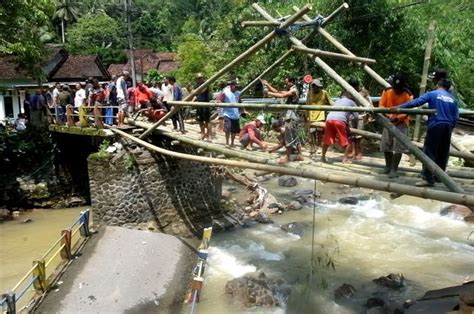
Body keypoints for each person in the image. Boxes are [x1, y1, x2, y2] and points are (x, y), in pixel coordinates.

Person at [398, 78, 459, 187]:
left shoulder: (433, 94)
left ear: (438, 85)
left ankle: (428, 178)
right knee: (443, 151)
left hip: (436, 124)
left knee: (429, 151)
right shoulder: (453, 99)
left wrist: (399, 107)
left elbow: (416, 102)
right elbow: (456, 117)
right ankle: (440, 177)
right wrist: (450, 126)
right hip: (448, 125)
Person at [261, 77, 303, 163]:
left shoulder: (293, 90)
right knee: (295, 137)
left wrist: (268, 93)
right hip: (291, 117)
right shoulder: (290, 89)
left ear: (292, 82)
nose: (285, 84)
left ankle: (287, 157)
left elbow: (283, 95)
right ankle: (300, 155)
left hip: (290, 117)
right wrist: (267, 85)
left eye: (287, 82)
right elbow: (277, 92)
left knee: (289, 137)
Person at [379, 74, 413, 178]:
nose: (396, 90)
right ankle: (388, 166)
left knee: (398, 148)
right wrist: (386, 114)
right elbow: (381, 105)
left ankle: (394, 169)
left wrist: (398, 118)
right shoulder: (387, 91)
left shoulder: (408, 95)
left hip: (401, 123)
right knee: (386, 145)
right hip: (388, 121)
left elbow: (408, 110)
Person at [321, 91, 358, 164]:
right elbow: (356, 116)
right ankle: (345, 159)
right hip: (340, 121)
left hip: (329, 119)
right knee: (347, 141)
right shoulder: (351, 102)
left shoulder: (337, 101)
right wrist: (354, 125)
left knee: (327, 140)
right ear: (350, 96)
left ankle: (323, 157)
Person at [305, 78, 333, 155]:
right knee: (312, 132)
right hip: (311, 115)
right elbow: (307, 104)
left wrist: (336, 106)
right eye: (315, 87)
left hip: (320, 115)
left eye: (318, 87)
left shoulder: (324, 93)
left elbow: (330, 101)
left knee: (320, 132)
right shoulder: (309, 93)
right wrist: (307, 115)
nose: (316, 88)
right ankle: (312, 147)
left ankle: (319, 146)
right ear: (313, 86)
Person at [217, 80, 241, 147]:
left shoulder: (238, 93)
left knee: (234, 130)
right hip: (227, 113)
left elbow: (240, 102)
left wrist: (243, 110)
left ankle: (232, 143)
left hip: (236, 114)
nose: (236, 88)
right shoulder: (225, 92)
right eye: (235, 87)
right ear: (231, 86)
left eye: (237, 87)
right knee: (228, 128)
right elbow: (220, 99)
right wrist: (219, 102)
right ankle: (227, 142)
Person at [192, 73, 212, 141]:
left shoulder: (205, 84)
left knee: (207, 121)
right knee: (200, 120)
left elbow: (201, 91)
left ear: (202, 78)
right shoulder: (196, 85)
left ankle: (209, 136)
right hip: (199, 105)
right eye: (198, 78)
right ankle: (202, 134)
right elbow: (195, 95)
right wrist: (192, 100)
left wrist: (194, 92)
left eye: (200, 78)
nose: (199, 79)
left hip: (205, 104)